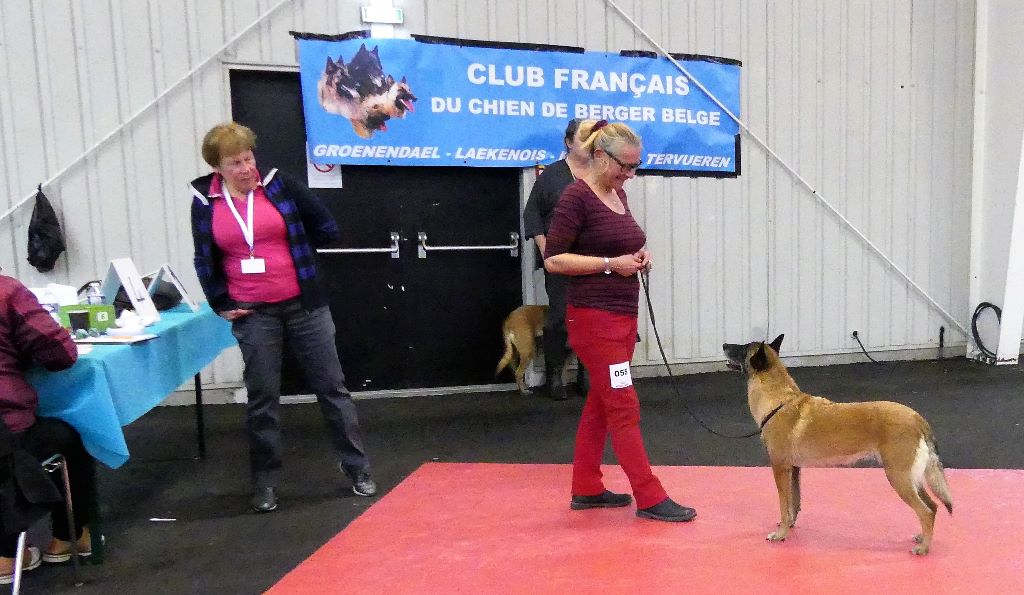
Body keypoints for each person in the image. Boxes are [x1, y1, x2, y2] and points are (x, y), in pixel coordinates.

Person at [190, 122, 375, 513]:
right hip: (253, 313)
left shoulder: (279, 185)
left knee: (332, 388)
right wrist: (219, 301)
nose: (246, 168)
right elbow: (203, 257)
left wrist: (299, 253)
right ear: (217, 167)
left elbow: (326, 227)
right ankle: (265, 482)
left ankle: (357, 468)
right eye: (235, 163)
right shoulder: (205, 202)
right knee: (263, 398)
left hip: (304, 306)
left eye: (248, 158)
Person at [543, 120, 696, 522]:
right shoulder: (576, 197)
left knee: (601, 403)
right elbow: (554, 259)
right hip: (595, 322)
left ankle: (586, 487)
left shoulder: (617, 195)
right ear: (599, 155)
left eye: (635, 166)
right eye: (624, 165)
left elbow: (622, 243)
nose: (629, 174)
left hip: (622, 319)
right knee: (624, 406)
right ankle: (649, 495)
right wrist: (612, 264)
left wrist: (639, 257)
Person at [0, 273, 95, 583]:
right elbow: (60, 353)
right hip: (7, 432)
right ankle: (66, 537)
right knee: (70, 436)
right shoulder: (6, 292)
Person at [522, 118, 593, 400]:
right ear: (568, 142)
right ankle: (554, 375)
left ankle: (586, 373)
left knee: (590, 316)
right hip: (560, 258)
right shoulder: (552, 175)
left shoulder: (599, 174)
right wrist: (546, 250)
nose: (588, 144)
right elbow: (532, 215)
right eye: (583, 138)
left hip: (592, 259)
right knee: (560, 316)